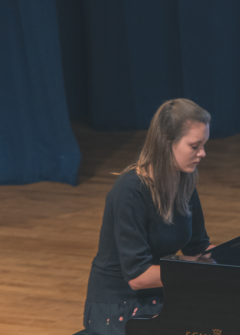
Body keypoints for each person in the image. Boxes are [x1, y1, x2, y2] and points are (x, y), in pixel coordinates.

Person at [75, 98, 214, 335]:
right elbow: (138, 276)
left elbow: (199, 248)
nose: (202, 153)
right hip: (119, 304)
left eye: (204, 145)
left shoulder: (185, 182)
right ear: (166, 143)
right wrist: (194, 268)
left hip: (160, 294)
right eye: (194, 146)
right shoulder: (131, 190)